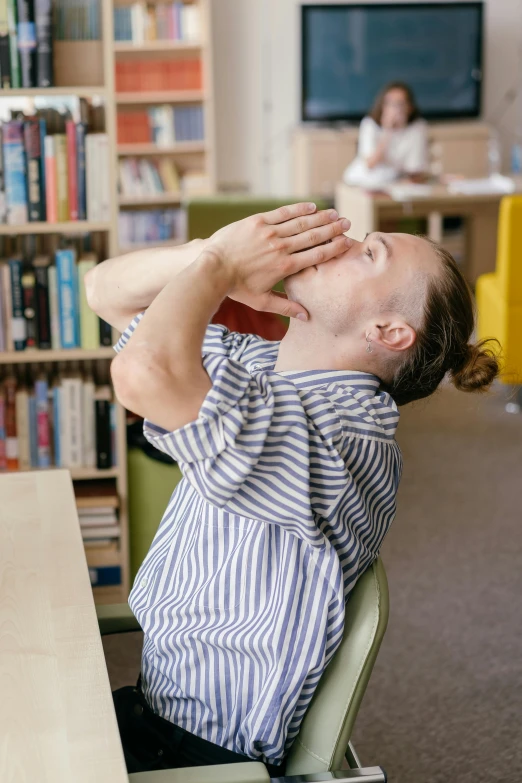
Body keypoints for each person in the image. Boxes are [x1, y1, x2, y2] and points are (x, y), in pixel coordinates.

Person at [86, 204, 499, 775]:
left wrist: (220, 266)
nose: (343, 243)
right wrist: (204, 254)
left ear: (388, 331)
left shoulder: (347, 434)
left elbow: (144, 373)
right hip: (158, 708)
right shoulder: (266, 364)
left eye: (370, 253)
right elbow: (105, 293)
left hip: (205, 755)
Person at [344, 81, 428, 188]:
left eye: (400, 104)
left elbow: (416, 170)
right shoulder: (370, 125)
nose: (396, 109)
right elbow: (370, 164)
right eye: (390, 103)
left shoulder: (417, 128)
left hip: (397, 184)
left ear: (410, 107)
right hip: (363, 181)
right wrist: (388, 131)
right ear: (383, 106)